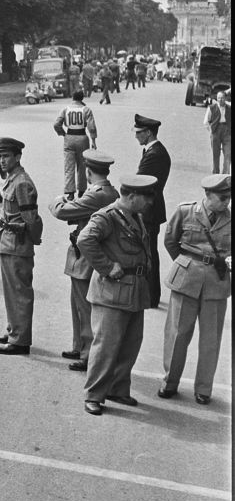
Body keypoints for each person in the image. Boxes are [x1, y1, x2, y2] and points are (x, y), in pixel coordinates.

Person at [76, 174, 157, 415]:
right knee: (106, 346)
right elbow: (85, 239)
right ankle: (94, 394)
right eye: (146, 198)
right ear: (131, 197)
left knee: (130, 344)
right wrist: (108, 267)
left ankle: (118, 388)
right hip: (112, 292)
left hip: (134, 290)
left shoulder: (135, 216)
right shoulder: (107, 217)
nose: (150, 202)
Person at [158, 173, 231, 405]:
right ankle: (169, 382)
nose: (226, 202)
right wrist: (185, 264)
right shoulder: (185, 211)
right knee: (177, 335)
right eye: (222, 197)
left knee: (211, 339)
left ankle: (204, 389)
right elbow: (170, 240)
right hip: (186, 279)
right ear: (207, 195)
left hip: (216, 283)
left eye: (229, 197)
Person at [48, 150, 119, 373]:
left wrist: (59, 199)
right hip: (87, 255)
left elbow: (62, 212)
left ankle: (87, 353)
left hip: (86, 258)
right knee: (78, 304)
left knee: (85, 307)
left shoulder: (96, 195)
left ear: (88, 171)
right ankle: (79, 345)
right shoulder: (110, 191)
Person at [0, 138, 42, 355]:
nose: (2, 161)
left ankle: (20, 340)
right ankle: (14, 329)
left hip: (17, 243)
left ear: (17, 157)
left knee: (19, 292)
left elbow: (31, 219)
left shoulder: (22, 182)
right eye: (0, 157)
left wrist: (29, 238)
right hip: (8, 241)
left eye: (6, 156)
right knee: (11, 291)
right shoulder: (12, 178)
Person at [134, 113, 171, 308]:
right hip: (151, 209)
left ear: (148, 133)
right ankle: (150, 295)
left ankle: (151, 296)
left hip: (148, 210)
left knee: (149, 253)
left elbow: (140, 183)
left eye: (139, 132)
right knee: (149, 251)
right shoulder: (154, 151)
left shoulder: (154, 155)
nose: (136, 136)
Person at [53, 90, 98, 199]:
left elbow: (56, 124)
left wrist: (62, 133)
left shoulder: (66, 109)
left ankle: (70, 192)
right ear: (82, 98)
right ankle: (82, 190)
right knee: (82, 166)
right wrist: (93, 141)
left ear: (72, 97)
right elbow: (91, 127)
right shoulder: (86, 110)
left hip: (69, 138)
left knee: (69, 166)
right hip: (82, 138)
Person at [203, 89, 231, 175]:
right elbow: (206, 122)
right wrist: (211, 131)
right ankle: (216, 174)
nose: (220, 100)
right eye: (219, 98)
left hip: (227, 131)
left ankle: (225, 174)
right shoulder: (211, 108)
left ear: (225, 98)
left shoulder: (229, 108)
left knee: (228, 153)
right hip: (215, 131)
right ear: (216, 98)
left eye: (222, 98)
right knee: (216, 154)